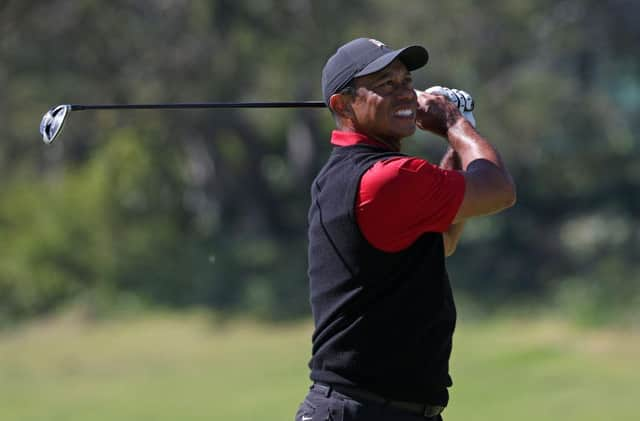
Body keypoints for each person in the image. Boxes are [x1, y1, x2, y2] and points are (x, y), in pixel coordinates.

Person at [295, 38, 516, 421]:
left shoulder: (349, 175)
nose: (407, 95)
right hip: (361, 410)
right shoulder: (387, 179)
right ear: (342, 105)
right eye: (386, 85)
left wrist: (455, 146)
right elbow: (499, 189)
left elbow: (442, 239)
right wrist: (453, 123)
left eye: (407, 82)